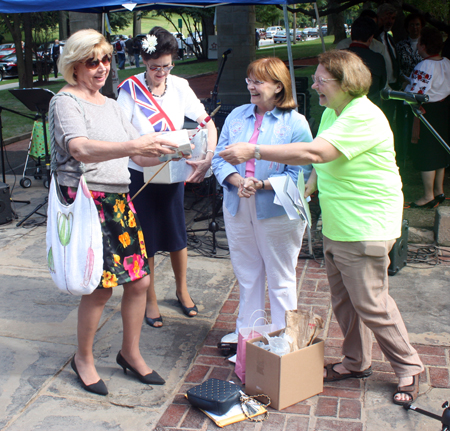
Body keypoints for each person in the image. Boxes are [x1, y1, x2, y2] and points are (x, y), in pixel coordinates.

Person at [219, 50, 424, 405]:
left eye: (320, 80)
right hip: (340, 222)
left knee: (371, 302)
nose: (313, 85)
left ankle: (410, 367)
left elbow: (316, 154)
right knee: (345, 301)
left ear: (345, 83)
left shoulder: (362, 117)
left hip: (367, 224)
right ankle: (355, 361)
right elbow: (320, 166)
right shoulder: (333, 112)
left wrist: (254, 152)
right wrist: (308, 188)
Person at [50, 29, 178, 396]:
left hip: (119, 201)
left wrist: (172, 151)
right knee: (99, 287)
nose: (102, 67)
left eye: (106, 59)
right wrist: (135, 143)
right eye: (92, 61)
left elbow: (137, 155)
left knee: (139, 281)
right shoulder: (66, 102)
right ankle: (84, 359)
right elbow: (80, 149)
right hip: (89, 202)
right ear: (74, 66)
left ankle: (130, 353)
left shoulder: (112, 104)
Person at [117, 27, 217, 328]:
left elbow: (207, 122)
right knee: (145, 237)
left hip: (172, 173)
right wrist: (157, 153)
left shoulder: (180, 86)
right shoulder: (129, 90)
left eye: (166, 66)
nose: (161, 72)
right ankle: (149, 298)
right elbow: (128, 144)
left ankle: (182, 289)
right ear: (143, 62)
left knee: (176, 234)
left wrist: (208, 155)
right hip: (141, 173)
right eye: (154, 67)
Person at [212, 57, 313, 343]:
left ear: (278, 86)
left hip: (278, 207)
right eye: (249, 80)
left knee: (280, 278)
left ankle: (285, 339)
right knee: (247, 273)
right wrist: (239, 181)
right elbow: (220, 158)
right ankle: (249, 335)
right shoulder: (237, 116)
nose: (251, 87)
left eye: (258, 81)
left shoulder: (295, 123)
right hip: (238, 202)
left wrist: (262, 184)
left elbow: (302, 173)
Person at [405, 27, 450, 208]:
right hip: (444, 109)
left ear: (423, 46)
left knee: (428, 152)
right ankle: (439, 190)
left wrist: (405, 91)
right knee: (440, 149)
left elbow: (416, 92)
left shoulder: (423, 65)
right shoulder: (447, 62)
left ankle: (427, 195)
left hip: (427, 111)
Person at [346, 16, 387, 107]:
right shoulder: (377, 59)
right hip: (370, 106)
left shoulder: (338, 57)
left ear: (352, 33)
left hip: (344, 107)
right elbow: (382, 84)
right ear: (371, 38)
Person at [396, 13, 426, 86]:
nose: (415, 27)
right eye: (412, 25)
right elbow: (397, 66)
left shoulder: (427, 44)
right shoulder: (400, 45)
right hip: (405, 84)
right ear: (407, 27)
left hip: (424, 83)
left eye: (417, 24)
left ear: (421, 26)